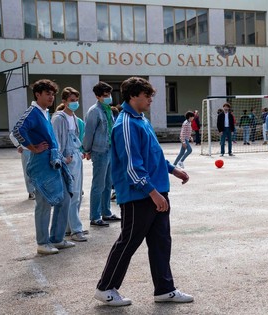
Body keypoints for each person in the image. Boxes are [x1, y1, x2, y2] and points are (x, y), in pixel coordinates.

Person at [94, 77, 193, 307]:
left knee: (160, 241)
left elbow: (153, 154)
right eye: (146, 95)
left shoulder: (142, 120)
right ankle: (105, 288)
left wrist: (172, 169)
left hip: (156, 191)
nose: (150, 99)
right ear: (132, 96)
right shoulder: (126, 123)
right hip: (139, 195)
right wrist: (152, 192)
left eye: (151, 95)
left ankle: (164, 289)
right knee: (128, 242)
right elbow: (132, 165)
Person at [12, 79, 76, 255]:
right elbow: (18, 130)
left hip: (54, 161)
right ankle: (42, 243)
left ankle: (57, 238)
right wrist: (32, 147)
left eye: (53, 94)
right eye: (47, 93)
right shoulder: (32, 112)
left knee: (64, 199)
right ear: (37, 94)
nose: (51, 97)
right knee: (44, 203)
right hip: (41, 163)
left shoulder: (44, 112)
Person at [51, 87, 87, 242]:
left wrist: (80, 151)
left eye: (76, 100)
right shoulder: (59, 118)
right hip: (67, 158)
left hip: (76, 156)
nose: (75, 103)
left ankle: (69, 227)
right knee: (72, 194)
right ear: (64, 101)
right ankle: (76, 230)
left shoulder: (75, 118)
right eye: (72, 100)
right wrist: (62, 158)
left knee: (77, 193)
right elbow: (56, 140)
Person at [83, 81, 120, 227]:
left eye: (109, 94)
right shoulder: (94, 111)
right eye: (105, 95)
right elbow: (89, 133)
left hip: (109, 149)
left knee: (107, 183)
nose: (108, 97)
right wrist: (86, 149)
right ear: (97, 96)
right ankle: (95, 216)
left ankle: (106, 212)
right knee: (98, 184)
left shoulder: (108, 110)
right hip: (99, 151)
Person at [10, 132, 36, 200]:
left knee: (37, 172)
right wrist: (18, 145)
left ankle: (37, 190)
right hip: (26, 150)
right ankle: (31, 192)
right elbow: (12, 135)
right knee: (27, 171)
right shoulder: (23, 123)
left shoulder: (38, 122)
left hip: (37, 150)